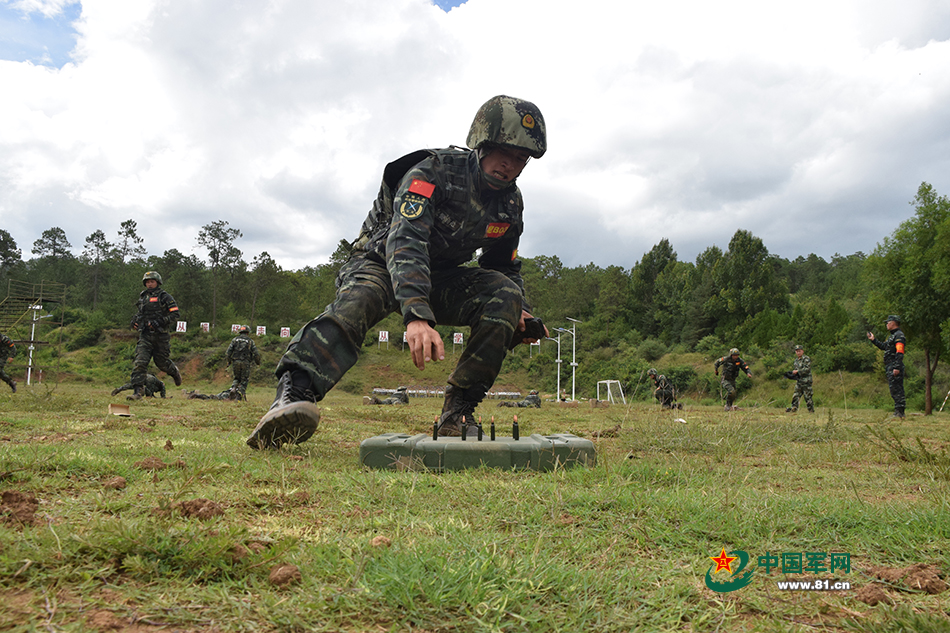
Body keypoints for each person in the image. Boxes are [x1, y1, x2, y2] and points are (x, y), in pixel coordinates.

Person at [247, 95, 548, 449]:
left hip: (438, 277)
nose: (509, 165)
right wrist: (417, 315)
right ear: (481, 143)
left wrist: (520, 311)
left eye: (520, 158)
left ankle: (458, 414)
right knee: (360, 300)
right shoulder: (433, 172)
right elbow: (406, 240)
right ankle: (294, 394)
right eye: (503, 151)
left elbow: (502, 265)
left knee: (505, 294)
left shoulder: (509, 203)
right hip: (379, 262)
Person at [127, 271, 182, 400]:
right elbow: (140, 313)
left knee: (161, 363)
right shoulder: (143, 297)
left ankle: (174, 372)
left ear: (157, 282)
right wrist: (134, 321)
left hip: (161, 336)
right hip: (145, 335)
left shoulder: (165, 297)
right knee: (140, 362)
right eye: (147, 282)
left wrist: (161, 321)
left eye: (152, 282)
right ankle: (137, 392)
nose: (149, 284)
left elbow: (175, 314)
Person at [867, 315, 906, 418]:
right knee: (894, 389)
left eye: (887, 323)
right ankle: (898, 411)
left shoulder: (899, 336)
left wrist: (897, 367)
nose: (886, 325)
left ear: (892, 323)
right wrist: (873, 340)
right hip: (890, 365)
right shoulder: (893, 336)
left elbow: (900, 352)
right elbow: (884, 346)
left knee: (897, 389)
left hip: (894, 365)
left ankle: (900, 412)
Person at [226, 326, 262, 399]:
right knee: (244, 380)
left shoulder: (234, 340)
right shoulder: (250, 341)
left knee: (236, 378)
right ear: (247, 332)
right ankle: (240, 395)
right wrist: (258, 363)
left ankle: (233, 388)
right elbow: (256, 354)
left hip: (236, 362)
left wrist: (229, 361)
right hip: (245, 362)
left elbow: (228, 353)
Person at [785, 345, 814, 413]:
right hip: (799, 381)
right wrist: (792, 374)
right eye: (797, 351)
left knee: (807, 397)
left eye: (799, 351)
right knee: (796, 395)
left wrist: (798, 371)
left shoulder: (806, 359)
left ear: (802, 351)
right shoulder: (796, 361)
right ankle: (794, 408)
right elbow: (796, 370)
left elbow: (807, 369)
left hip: (806, 381)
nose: (798, 353)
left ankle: (811, 410)